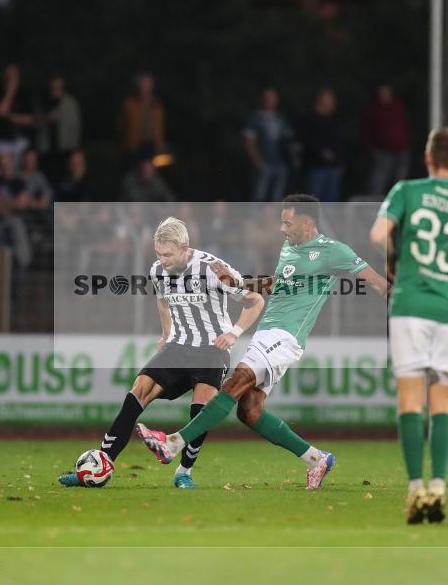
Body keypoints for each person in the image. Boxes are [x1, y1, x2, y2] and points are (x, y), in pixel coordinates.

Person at [138, 195, 389, 489]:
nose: (282, 228)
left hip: (286, 336)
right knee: (249, 411)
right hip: (267, 333)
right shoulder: (289, 248)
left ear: (306, 224)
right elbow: (276, 282)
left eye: (287, 222)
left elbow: (377, 282)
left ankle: (173, 442)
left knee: (235, 381)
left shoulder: (334, 252)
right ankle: (316, 459)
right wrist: (238, 283)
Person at [59, 217, 265, 489]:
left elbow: (255, 299)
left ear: (184, 247)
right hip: (178, 347)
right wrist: (166, 333)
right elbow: (162, 300)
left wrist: (234, 333)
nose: (163, 259)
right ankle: (100, 464)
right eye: (158, 253)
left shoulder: (214, 269)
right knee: (136, 393)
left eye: (168, 254)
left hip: (211, 351)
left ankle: (184, 472)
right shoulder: (158, 270)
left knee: (200, 411)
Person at [370, 127, 448, 524]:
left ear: (428, 157)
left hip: (410, 304)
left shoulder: (406, 190)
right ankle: (439, 487)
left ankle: (415, 491)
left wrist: (394, 260)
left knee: (411, 401)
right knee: (442, 402)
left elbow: (377, 235)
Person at [243, 87, 293, 202]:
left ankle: (273, 220)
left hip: (280, 164)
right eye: (268, 98)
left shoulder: (281, 119)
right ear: (262, 99)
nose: (271, 101)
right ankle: (255, 219)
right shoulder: (255, 118)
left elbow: (288, 141)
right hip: (263, 163)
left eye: (273, 99)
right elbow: (249, 141)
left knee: (277, 198)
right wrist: (257, 161)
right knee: (258, 197)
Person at [362, 84, 410, 196]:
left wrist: (406, 143)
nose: (385, 95)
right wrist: (372, 149)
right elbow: (366, 130)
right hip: (382, 151)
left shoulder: (397, 106)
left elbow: (404, 125)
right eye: (382, 93)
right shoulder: (373, 109)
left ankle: (398, 204)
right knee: (378, 180)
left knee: (400, 180)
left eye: (387, 92)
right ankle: (372, 205)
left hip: (401, 149)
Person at [301, 88, 343, 203]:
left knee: (330, 203)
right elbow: (306, 141)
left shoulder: (333, 122)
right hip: (315, 168)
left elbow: (338, 143)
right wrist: (320, 152)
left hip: (332, 169)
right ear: (320, 101)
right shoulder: (310, 120)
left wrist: (339, 163)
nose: (332, 103)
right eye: (329, 100)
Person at [36, 75, 81, 182]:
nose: (56, 86)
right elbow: (36, 122)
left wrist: (74, 146)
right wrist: (47, 119)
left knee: (65, 176)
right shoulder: (43, 102)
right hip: (47, 148)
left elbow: (76, 125)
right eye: (54, 83)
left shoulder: (69, 102)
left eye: (58, 83)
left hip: (65, 147)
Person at [119, 72, 165, 163]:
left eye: (148, 84)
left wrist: (159, 144)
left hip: (151, 145)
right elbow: (121, 124)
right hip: (133, 145)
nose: (145, 87)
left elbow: (159, 126)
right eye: (143, 84)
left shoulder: (156, 104)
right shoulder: (129, 104)